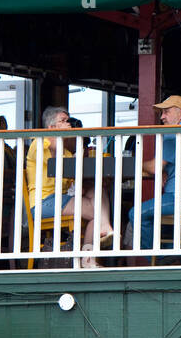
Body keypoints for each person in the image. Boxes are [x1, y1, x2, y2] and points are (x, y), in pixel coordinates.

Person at [24, 105, 114, 268]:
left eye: (68, 121)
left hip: (61, 198)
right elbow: (58, 163)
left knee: (97, 189)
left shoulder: (65, 150)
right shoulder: (39, 143)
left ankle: (104, 228)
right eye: (63, 121)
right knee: (97, 213)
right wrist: (63, 137)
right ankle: (88, 257)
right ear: (51, 127)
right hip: (43, 202)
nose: (69, 125)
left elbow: (72, 179)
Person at [132, 95, 181, 256]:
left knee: (136, 213)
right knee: (159, 222)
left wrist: (136, 162)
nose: (162, 117)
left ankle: (160, 260)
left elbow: (154, 167)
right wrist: (165, 170)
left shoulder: (176, 133)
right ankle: (173, 257)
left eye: (166, 112)